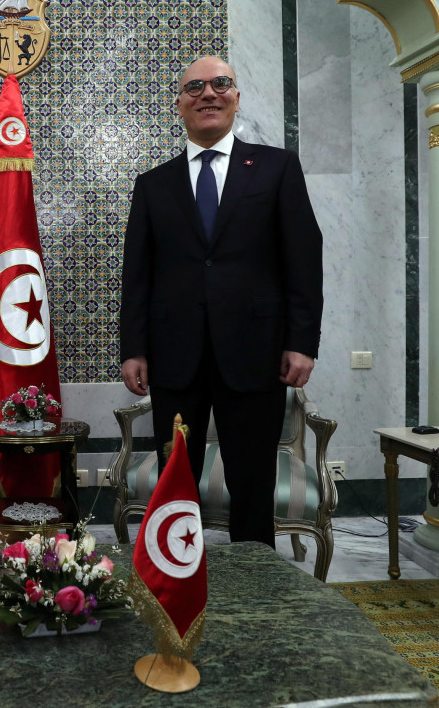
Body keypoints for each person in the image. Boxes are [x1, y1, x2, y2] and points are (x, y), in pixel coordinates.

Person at [119, 55, 323, 547]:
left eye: (220, 84)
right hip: (175, 357)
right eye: (195, 87)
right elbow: (138, 275)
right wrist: (133, 348)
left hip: (255, 355)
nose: (208, 94)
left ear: (236, 98)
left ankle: (254, 589)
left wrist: (302, 342)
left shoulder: (276, 168)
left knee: (251, 481)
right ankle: (174, 581)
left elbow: (304, 260)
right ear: (180, 106)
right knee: (175, 481)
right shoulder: (153, 185)